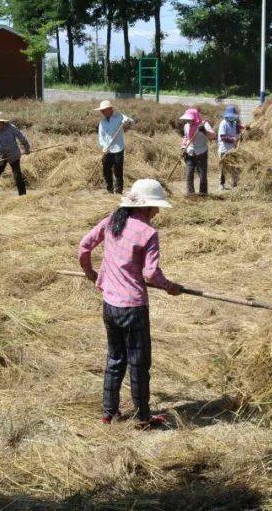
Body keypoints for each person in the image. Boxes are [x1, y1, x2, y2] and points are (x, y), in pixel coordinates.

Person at [78, 178, 183, 429]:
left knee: (115, 358)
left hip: (110, 305)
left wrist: (90, 272)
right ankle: (143, 417)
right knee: (138, 362)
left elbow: (84, 246)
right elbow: (150, 275)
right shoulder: (148, 232)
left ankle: (108, 413)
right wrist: (170, 287)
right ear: (146, 207)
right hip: (133, 308)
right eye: (156, 207)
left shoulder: (112, 221)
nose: (157, 212)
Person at [0, 111, 31, 196]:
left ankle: (22, 195)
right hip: (0, 157)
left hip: (13, 155)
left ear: (2, 122)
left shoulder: (11, 128)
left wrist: (26, 148)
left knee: (17, 175)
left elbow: (21, 137)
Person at [96, 100, 135, 195]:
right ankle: (109, 189)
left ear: (109, 109)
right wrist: (104, 146)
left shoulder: (119, 117)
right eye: (101, 110)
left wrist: (128, 121)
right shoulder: (102, 122)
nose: (102, 112)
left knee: (118, 170)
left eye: (103, 110)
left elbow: (132, 122)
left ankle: (118, 191)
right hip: (107, 150)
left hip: (118, 148)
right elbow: (101, 136)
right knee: (106, 169)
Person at [179, 108, 215, 196]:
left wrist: (204, 131)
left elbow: (213, 136)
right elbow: (186, 138)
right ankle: (190, 194)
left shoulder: (204, 125)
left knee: (202, 175)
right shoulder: (186, 126)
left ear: (195, 117)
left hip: (201, 152)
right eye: (187, 119)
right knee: (189, 174)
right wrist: (183, 147)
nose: (188, 121)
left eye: (189, 119)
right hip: (190, 152)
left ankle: (203, 194)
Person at [217, 104, 242, 190]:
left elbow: (237, 128)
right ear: (227, 116)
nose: (232, 117)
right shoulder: (223, 124)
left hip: (232, 149)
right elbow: (223, 137)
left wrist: (244, 128)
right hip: (224, 149)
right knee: (223, 168)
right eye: (230, 116)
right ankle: (221, 184)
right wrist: (233, 139)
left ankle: (235, 185)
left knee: (234, 167)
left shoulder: (234, 123)